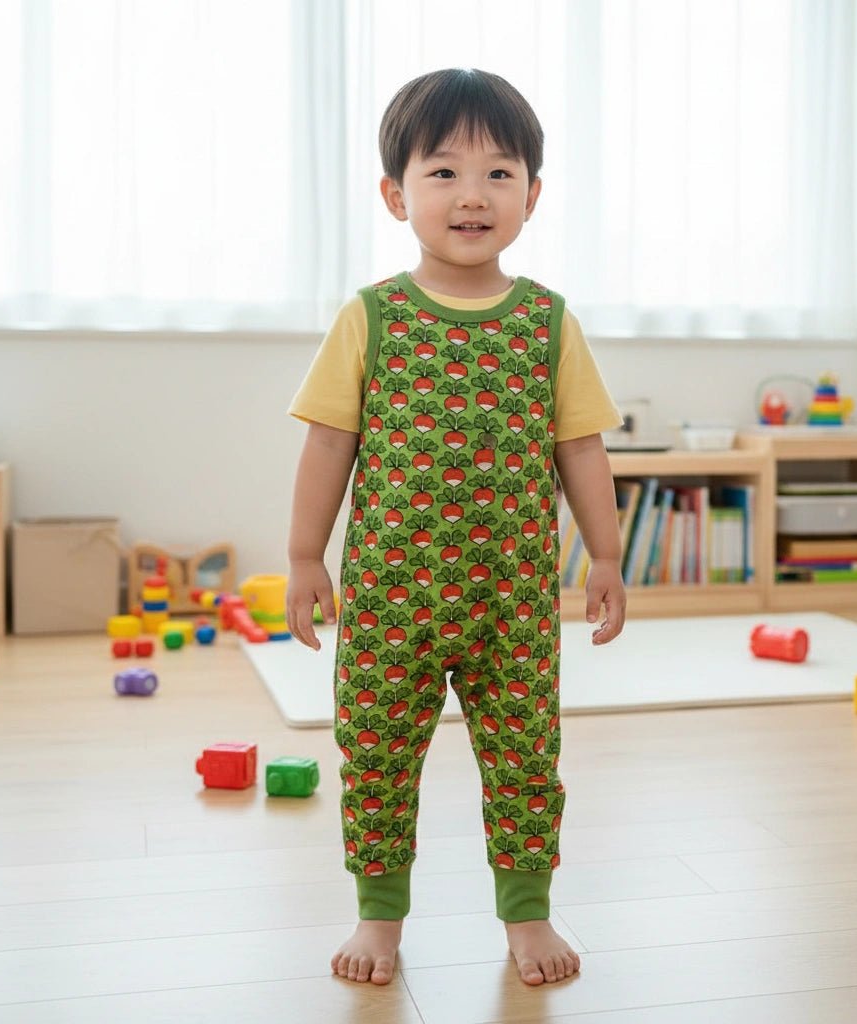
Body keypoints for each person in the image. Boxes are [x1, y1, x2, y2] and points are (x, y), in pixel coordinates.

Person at [286, 68, 626, 987]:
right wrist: (302, 557)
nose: (472, 194)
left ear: (533, 196)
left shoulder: (550, 323)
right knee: (378, 753)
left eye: (499, 173)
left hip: (510, 603)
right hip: (393, 598)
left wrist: (604, 554)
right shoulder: (372, 317)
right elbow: (328, 444)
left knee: (524, 757)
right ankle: (379, 919)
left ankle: (526, 917)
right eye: (443, 172)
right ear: (397, 195)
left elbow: (583, 451)